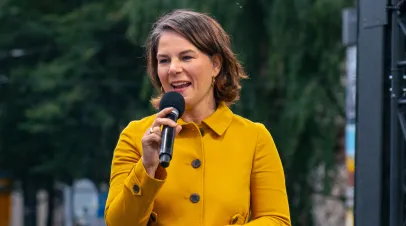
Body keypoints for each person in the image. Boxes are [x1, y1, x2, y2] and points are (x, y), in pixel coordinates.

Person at [104, 9, 291, 226]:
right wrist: (147, 167)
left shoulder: (255, 138)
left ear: (215, 65)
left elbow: (277, 220)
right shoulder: (136, 137)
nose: (173, 68)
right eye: (163, 61)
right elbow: (118, 223)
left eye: (186, 57)